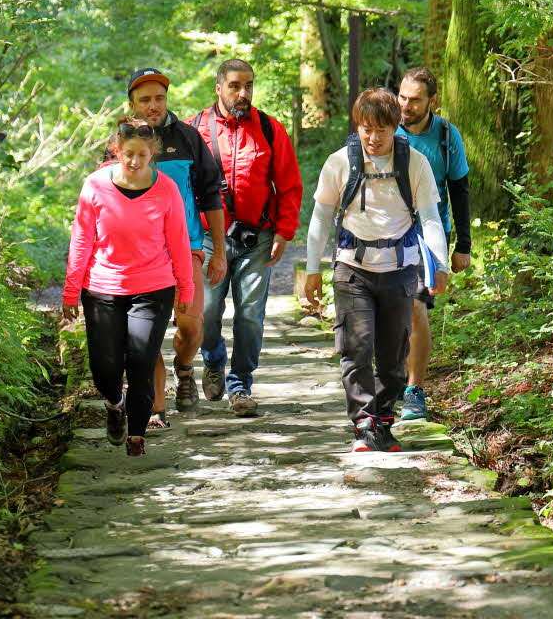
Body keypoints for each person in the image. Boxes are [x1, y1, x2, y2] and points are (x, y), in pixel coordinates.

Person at [303, 88, 449, 452]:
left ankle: (383, 419)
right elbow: (320, 217)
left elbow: (430, 218)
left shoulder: (414, 163)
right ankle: (364, 422)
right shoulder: (340, 162)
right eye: (365, 129)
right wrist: (311, 268)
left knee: (392, 351)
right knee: (356, 345)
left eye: (380, 130)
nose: (372, 137)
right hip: (352, 269)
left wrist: (440, 264)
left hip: (401, 269)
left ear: (395, 126)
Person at [61, 118, 195, 457]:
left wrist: (186, 288)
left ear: (152, 154)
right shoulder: (94, 186)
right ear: (116, 151)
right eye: (128, 154)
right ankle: (114, 403)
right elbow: (81, 240)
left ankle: (137, 433)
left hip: (153, 287)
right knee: (105, 368)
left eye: (141, 155)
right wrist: (70, 289)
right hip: (103, 287)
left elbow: (178, 242)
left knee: (141, 360)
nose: (134, 162)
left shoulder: (166, 189)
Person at [189, 58, 303, 417]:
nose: (243, 93)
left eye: (249, 85)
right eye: (235, 86)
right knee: (207, 311)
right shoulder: (196, 130)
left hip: (257, 237)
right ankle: (213, 361)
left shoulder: (270, 129)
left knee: (251, 315)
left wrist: (284, 231)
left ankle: (240, 384)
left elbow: (289, 184)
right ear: (218, 87)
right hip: (209, 238)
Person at [123, 67, 227, 426]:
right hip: (139, 255)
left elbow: (212, 194)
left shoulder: (188, 138)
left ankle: (184, 369)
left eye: (159, 98)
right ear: (132, 104)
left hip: (188, 249)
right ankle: (155, 406)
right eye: (145, 100)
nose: (154, 106)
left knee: (192, 326)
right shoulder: (118, 145)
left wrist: (220, 252)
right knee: (145, 331)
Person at [396, 67, 472, 422]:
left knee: (416, 308)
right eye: (402, 97)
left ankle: (414, 390)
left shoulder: (445, 134)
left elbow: (459, 188)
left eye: (415, 100)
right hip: (383, 235)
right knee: (388, 314)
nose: (406, 106)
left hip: (428, 236)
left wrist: (462, 245)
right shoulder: (383, 127)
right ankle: (393, 377)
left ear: (432, 101)